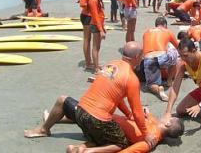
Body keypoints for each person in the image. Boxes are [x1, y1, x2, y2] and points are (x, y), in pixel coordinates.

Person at [24, 42, 158, 152]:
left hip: (80, 112)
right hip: (97, 120)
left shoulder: (111, 65)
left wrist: (127, 113)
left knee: (63, 100)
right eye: (141, 56)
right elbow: (138, 111)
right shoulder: (131, 78)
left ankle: (43, 129)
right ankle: (86, 151)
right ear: (137, 57)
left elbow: (117, 98)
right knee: (121, 143)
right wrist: (146, 134)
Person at [26, 97, 183, 153]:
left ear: (168, 123)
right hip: (103, 124)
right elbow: (145, 114)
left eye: (168, 117)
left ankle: (44, 129)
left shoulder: (151, 140)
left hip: (101, 124)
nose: (166, 115)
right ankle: (78, 146)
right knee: (89, 115)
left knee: (63, 100)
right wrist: (144, 111)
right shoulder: (155, 124)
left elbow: (126, 150)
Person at [142, 17, 179, 101]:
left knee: (151, 85)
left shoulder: (146, 32)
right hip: (164, 57)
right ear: (165, 25)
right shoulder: (168, 31)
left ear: (155, 25)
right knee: (173, 51)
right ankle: (169, 81)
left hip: (150, 58)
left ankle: (158, 88)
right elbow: (178, 47)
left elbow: (143, 51)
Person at [80, 0, 99, 70]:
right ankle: (88, 62)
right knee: (87, 39)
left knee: (89, 39)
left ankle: (89, 61)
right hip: (86, 16)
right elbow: (82, 3)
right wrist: (91, 6)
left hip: (88, 15)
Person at [89, 0, 106, 74]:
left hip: (99, 24)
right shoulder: (93, 0)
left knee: (98, 47)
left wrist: (103, 26)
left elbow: (100, 14)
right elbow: (95, 16)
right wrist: (101, 30)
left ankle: (96, 64)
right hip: (95, 25)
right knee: (95, 47)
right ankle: (96, 69)